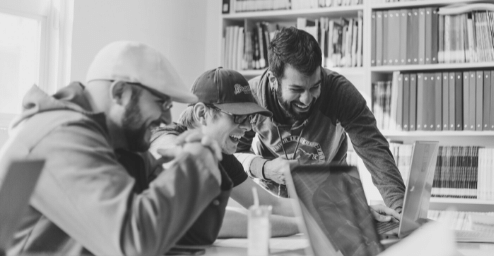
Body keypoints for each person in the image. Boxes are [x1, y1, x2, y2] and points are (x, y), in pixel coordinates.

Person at [0, 41, 230, 256]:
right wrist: (195, 165)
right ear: (120, 92)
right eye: (162, 103)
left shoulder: (121, 144)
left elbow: (189, 237)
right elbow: (133, 243)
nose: (168, 119)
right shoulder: (58, 137)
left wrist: (204, 167)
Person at [235, 27, 406, 220]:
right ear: (274, 80)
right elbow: (234, 155)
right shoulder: (251, 96)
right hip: (276, 207)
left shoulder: (339, 91)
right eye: (296, 89)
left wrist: (400, 211)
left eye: (315, 86)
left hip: (332, 203)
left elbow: (374, 149)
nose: (307, 99)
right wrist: (265, 169)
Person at [150, 67, 299, 238]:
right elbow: (205, 219)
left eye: (249, 118)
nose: (247, 127)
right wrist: (303, 226)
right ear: (202, 113)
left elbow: (271, 204)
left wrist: (325, 210)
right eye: (237, 117)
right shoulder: (167, 142)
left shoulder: (219, 153)